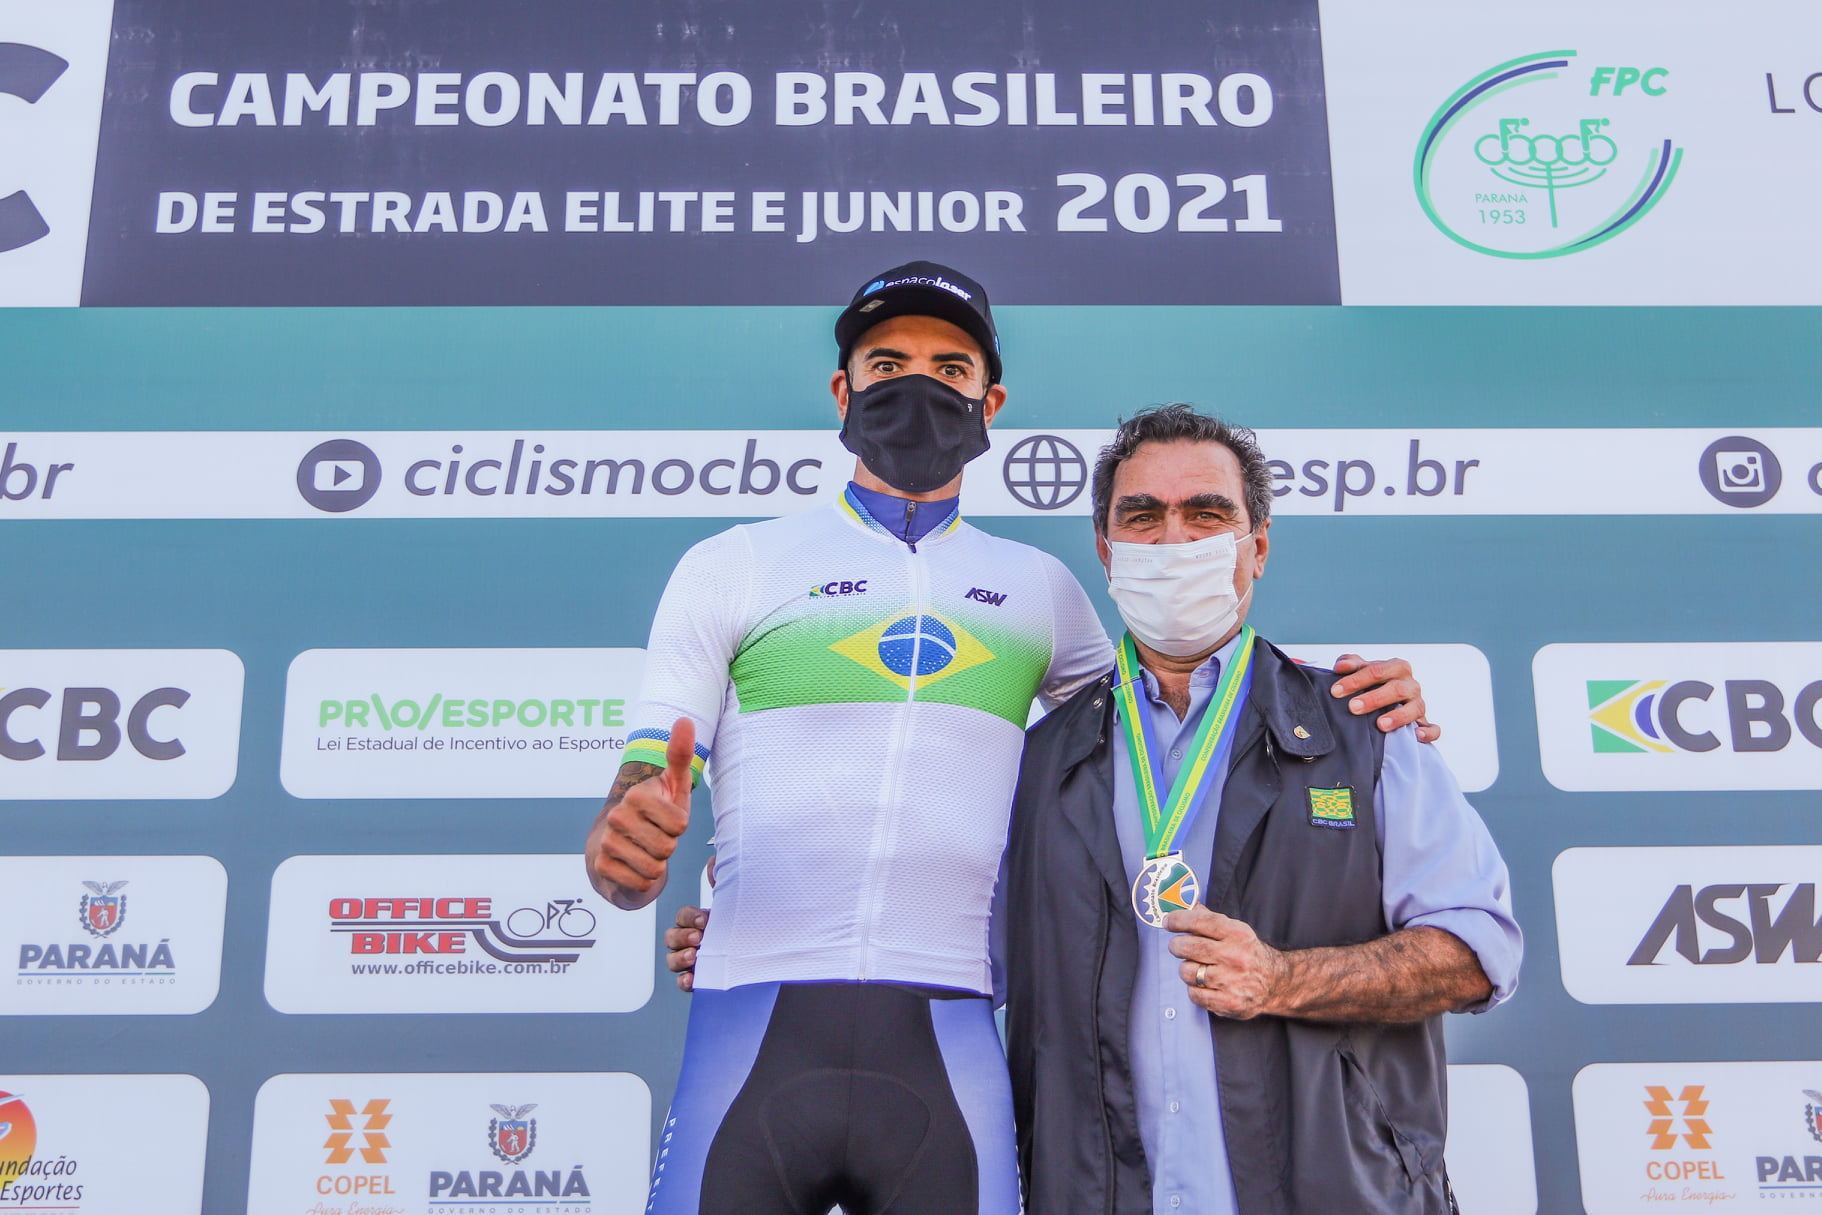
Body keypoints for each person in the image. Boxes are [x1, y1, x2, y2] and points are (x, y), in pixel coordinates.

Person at [591, 264, 1432, 1215]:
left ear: (990, 401)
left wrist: (1357, 703)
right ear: (843, 390)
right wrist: (626, 852)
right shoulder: (735, 563)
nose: (920, 385)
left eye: (951, 368)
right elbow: (639, 799)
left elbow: (1183, 719)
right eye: (887, 362)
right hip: (752, 1013)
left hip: (949, 1035)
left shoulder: (1037, 588)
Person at [999, 405, 1522, 1214]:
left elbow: (1476, 952)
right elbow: (951, 954)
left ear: (1259, 546)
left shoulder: (1367, 726)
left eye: (1207, 513)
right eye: (1143, 516)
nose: (1175, 541)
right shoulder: (1039, 761)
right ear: (1106, 551)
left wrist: (1285, 978)